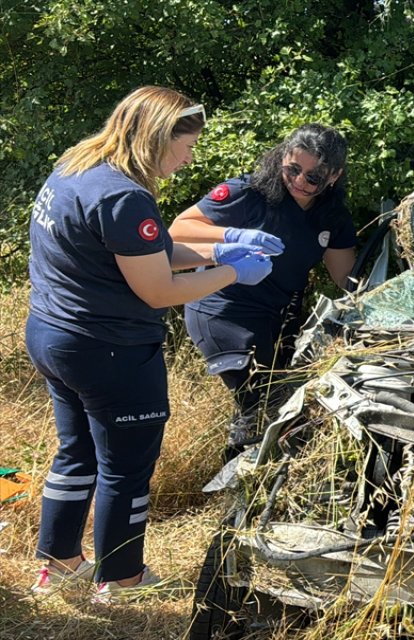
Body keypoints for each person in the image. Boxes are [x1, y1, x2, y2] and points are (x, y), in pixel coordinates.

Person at [25, 86, 273, 602]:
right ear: (157, 138)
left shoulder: (77, 167)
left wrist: (222, 243)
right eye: (185, 148)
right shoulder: (124, 196)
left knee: (77, 452)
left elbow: (144, 250)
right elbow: (158, 288)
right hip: (109, 349)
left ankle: (60, 562)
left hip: (54, 335)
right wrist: (230, 271)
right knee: (126, 465)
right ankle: (121, 579)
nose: (188, 160)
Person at [169, 124, 357, 459]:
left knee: (276, 402)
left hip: (277, 316)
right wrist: (232, 238)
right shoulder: (249, 193)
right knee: (261, 400)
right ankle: (245, 482)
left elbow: (348, 280)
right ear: (283, 157)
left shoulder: (333, 216)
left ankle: (247, 472)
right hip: (223, 306)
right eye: (293, 169)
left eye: (314, 177)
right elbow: (180, 228)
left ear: (334, 177)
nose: (300, 181)